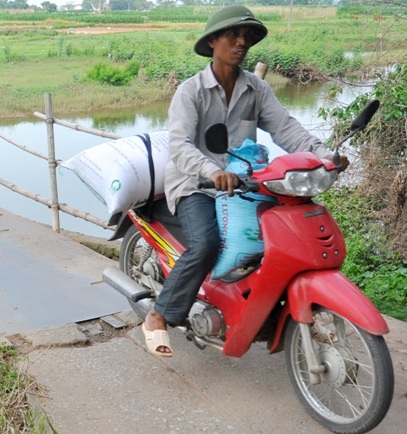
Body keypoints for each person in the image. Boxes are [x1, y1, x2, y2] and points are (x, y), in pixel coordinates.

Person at [142, 5, 340, 358]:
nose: (241, 42)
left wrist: (324, 156)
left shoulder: (256, 89)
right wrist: (211, 171)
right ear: (212, 41)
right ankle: (159, 315)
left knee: (283, 240)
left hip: (244, 186)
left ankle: (259, 311)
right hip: (195, 184)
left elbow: (286, 129)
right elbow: (179, 145)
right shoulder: (191, 92)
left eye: (247, 36)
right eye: (233, 35)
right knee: (206, 244)